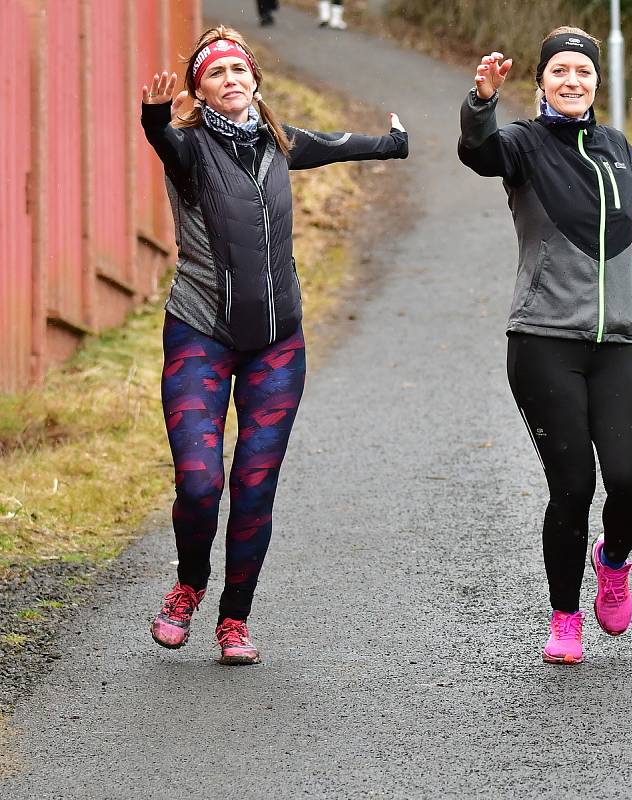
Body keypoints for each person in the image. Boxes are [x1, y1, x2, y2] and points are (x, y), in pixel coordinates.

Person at [458, 27, 632, 665]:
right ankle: (564, 618)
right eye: (559, 71)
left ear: (595, 84)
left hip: (618, 344)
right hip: (543, 341)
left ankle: (611, 561)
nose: (572, 80)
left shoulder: (615, 148)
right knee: (573, 485)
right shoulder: (523, 145)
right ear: (542, 82)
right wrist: (480, 103)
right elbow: (478, 151)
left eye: (582, 72)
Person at [141, 26, 408, 665]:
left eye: (239, 69)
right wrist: (153, 115)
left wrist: (393, 144)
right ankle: (189, 582)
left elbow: (343, 144)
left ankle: (234, 619)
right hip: (200, 332)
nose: (230, 79)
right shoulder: (190, 148)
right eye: (215, 73)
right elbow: (161, 137)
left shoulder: (279, 142)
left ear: (254, 79)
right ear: (199, 90)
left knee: (256, 485)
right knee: (202, 483)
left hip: (277, 345)